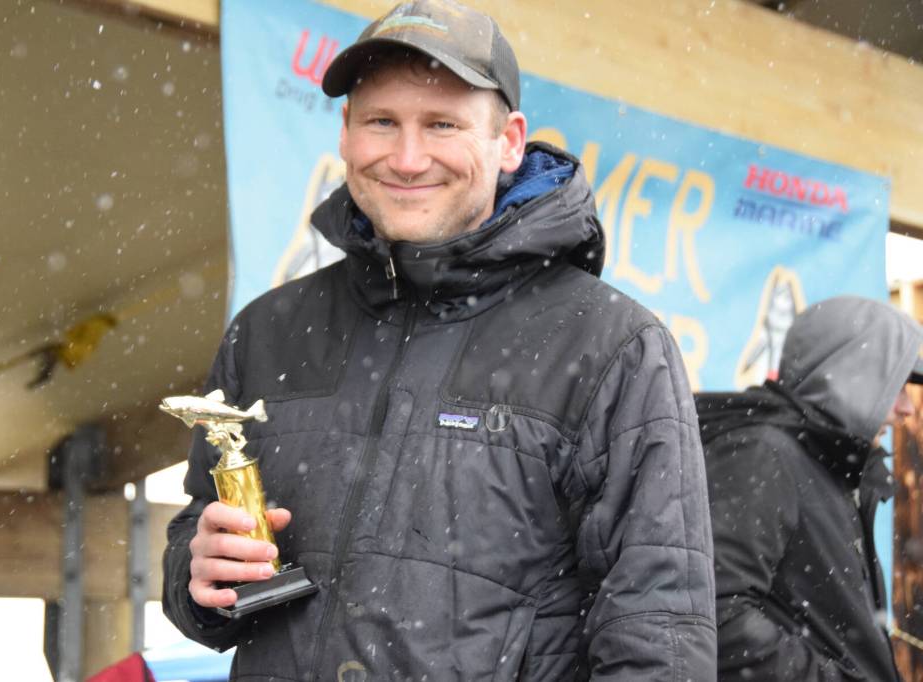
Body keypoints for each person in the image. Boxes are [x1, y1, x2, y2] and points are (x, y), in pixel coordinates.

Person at [162, 1, 716, 678]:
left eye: (442, 124)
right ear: (344, 132)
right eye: (382, 123)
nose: (407, 157)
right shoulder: (268, 332)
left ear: (508, 141)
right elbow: (196, 530)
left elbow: (659, 632)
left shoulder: (612, 346)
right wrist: (199, 576)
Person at [697, 295, 923, 681]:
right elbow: (714, 609)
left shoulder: (829, 465)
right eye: (896, 388)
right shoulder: (764, 453)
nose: (907, 409)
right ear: (854, 376)